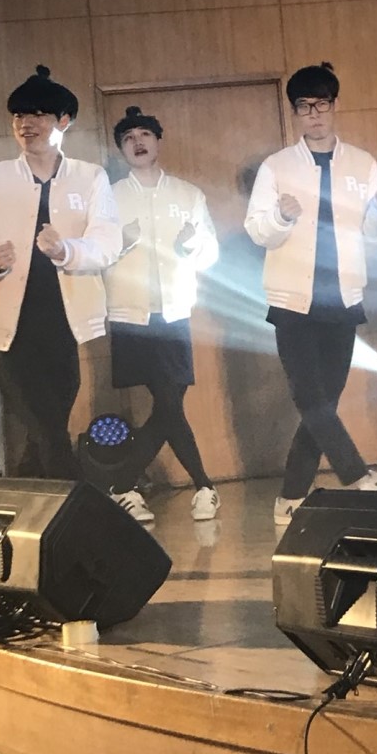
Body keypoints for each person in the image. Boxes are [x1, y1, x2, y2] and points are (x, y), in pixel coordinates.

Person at [0, 65, 123, 480]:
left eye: (39, 114)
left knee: (48, 425)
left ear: (65, 121)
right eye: (19, 116)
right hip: (9, 325)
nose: (26, 124)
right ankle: (81, 505)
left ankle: (34, 506)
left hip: (64, 322)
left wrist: (66, 250)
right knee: (47, 427)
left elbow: (108, 243)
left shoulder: (90, 177)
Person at [245, 62, 377, 525]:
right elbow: (257, 230)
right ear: (294, 113)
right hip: (292, 300)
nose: (313, 114)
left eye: (321, 104)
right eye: (304, 106)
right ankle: (356, 474)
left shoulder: (361, 163)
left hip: (343, 299)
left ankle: (290, 496)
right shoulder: (276, 167)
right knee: (310, 399)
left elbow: (376, 232)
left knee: (323, 405)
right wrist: (281, 216)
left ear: (334, 106)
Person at [102, 106, 221, 523]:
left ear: (157, 141)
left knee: (169, 404)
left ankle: (126, 486)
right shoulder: (109, 197)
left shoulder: (188, 194)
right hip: (130, 313)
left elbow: (210, 253)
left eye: (145, 135)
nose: (138, 142)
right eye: (129, 138)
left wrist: (191, 246)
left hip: (173, 313)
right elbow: (91, 253)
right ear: (121, 149)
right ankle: (201, 486)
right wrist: (122, 241)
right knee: (169, 405)